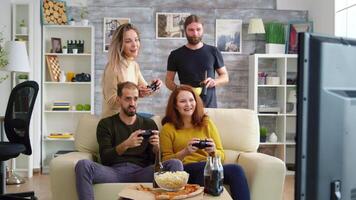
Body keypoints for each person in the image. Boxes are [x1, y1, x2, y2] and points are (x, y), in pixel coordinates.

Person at [75, 82, 183, 200]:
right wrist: (126, 144)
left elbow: (153, 162)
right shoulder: (106, 124)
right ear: (118, 99)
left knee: (175, 163)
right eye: (127, 99)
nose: (132, 103)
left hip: (141, 172)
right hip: (113, 172)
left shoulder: (149, 123)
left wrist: (156, 148)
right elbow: (105, 157)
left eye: (135, 99)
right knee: (83, 165)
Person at [160, 85, 250, 200]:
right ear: (175, 106)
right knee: (203, 170)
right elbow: (165, 162)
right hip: (186, 170)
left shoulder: (206, 123)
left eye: (191, 100)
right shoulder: (168, 128)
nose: (188, 104)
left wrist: (213, 152)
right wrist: (185, 152)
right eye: (183, 101)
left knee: (236, 170)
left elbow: (221, 156)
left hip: (210, 167)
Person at [165, 14, 229, 108]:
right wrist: (178, 89)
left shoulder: (213, 51)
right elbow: (168, 80)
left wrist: (214, 82)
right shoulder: (175, 55)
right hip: (185, 107)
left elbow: (225, 76)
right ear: (185, 31)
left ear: (203, 30)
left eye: (198, 29)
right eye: (191, 30)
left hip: (209, 106)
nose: (195, 33)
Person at [102, 23, 162, 118]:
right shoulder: (112, 68)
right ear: (120, 44)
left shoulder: (134, 65)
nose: (135, 45)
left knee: (156, 120)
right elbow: (111, 102)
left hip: (128, 117)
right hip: (113, 120)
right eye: (128, 41)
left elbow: (144, 90)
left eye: (136, 40)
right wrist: (134, 93)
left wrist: (154, 87)